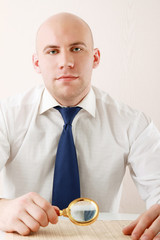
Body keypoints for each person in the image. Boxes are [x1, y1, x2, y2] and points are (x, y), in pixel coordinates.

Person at [0, 12, 160, 239]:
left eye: (76, 48)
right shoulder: (6, 115)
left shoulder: (133, 124)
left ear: (95, 58)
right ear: (37, 62)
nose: (65, 61)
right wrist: (2, 209)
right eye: (52, 51)